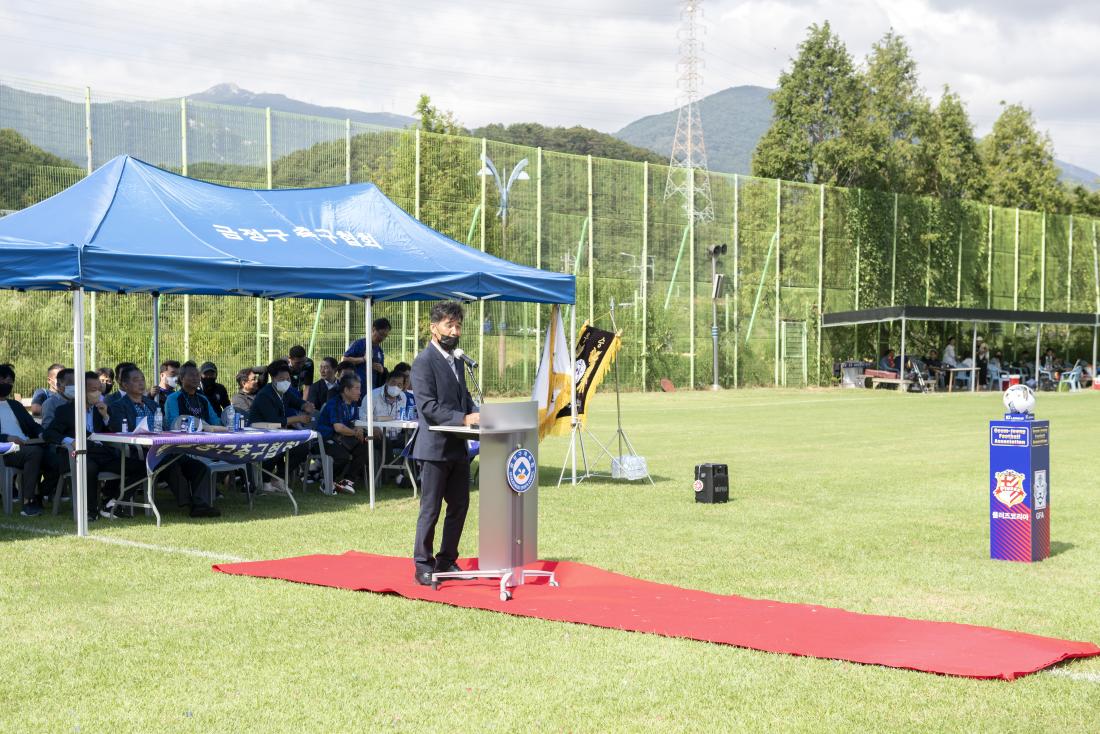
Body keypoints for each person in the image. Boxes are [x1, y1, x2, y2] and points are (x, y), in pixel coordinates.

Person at [410, 301, 480, 586]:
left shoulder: (458, 361)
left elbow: (463, 399)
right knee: (431, 508)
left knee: (459, 505)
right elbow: (428, 406)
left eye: (458, 326)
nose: (455, 331)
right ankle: (422, 565)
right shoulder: (423, 362)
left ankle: (447, 558)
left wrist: (479, 415)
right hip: (435, 448)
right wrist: (463, 419)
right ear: (433, 328)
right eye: (449, 325)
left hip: (458, 448)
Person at [44, 372, 142, 522]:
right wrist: (70, 440)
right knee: (88, 467)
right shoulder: (65, 411)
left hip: (102, 453)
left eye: (98, 389)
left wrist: (106, 416)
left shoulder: (99, 409)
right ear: (81, 390)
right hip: (79, 455)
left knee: (141, 468)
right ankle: (90, 510)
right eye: (92, 389)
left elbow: (115, 432)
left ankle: (112, 502)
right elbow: (49, 433)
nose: (97, 393)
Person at [161, 363, 223, 517]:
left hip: (205, 445)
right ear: (181, 379)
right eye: (191, 375)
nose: (196, 378)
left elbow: (215, 421)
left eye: (197, 375)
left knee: (225, 458)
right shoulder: (173, 398)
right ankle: (198, 505)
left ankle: (201, 505)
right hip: (180, 447)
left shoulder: (203, 399)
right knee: (198, 465)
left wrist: (218, 428)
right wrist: (201, 427)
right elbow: (174, 423)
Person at [0, 364, 58, 516]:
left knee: (57, 458)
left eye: (10, 381)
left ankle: (40, 495)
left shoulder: (15, 405)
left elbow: (33, 426)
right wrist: (7, 437)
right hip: (5, 448)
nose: (7, 384)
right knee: (34, 452)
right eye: (3, 380)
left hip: (27, 446)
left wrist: (41, 434)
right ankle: (28, 502)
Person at [246, 361, 312, 493]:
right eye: (282, 379)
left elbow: (297, 402)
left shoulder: (285, 392)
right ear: (273, 379)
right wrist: (298, 418)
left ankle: (279, 478)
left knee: (302, 447)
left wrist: (306, 405)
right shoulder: (265, 394)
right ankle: (264, 481)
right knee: (277, 446)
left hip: (278, 432)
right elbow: (275, 421)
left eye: (288, 379)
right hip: (260, 432)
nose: (286, 382)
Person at [315, 373, 370, 494]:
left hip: (342, 439)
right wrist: (355, 433)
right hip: (324, 439)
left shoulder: (354, 403)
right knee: (342, 456)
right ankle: (327, 482)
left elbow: (353, 422)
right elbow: (338, 427)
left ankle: (347, 481)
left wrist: (359, 430)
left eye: (359, 388)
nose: (360, 392)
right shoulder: (335, 403)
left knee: (366, 444)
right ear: (346, 390)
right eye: (357, 388)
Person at [344, 317, 391, 394]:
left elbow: (381, 370)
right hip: (356, 388)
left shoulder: (379, 350)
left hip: (372, 389)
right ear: (373, 329)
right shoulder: (359, 344)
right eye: (381, 334)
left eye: (385, 336)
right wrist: (363, 359)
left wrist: (381, 369)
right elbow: (345, 360)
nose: (382, 338)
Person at [109, 366, 159, 432]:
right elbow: (120, 432)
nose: (141, 383)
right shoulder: (118, 407)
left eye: (143, 379)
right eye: (136, 380)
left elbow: (162, 427)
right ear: (125, 385)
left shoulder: (153, 405)